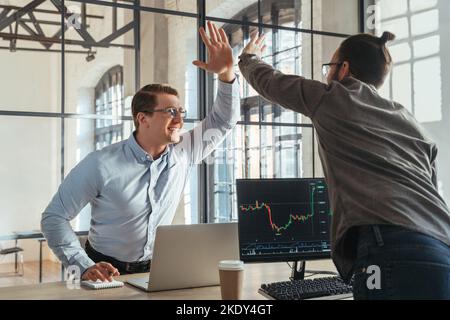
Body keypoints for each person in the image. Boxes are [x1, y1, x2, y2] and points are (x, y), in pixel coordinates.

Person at [238, 31, 450, 299]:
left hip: (389, 248)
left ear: (344, 68)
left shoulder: (333, 97)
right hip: (442, 249)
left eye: (330, 67)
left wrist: (247, 58)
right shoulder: (410, 122)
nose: (327, 75)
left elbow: (272, 82)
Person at [41, 21, 239, 282]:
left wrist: (226, 75)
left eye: (180, 111)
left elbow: (222, 121)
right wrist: (84, 265)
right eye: (170, 112)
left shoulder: (183, 153)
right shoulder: (100, 164)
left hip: (157, 267)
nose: (179, 119)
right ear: (142, 119)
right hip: (103, 269)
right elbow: (54, 217)